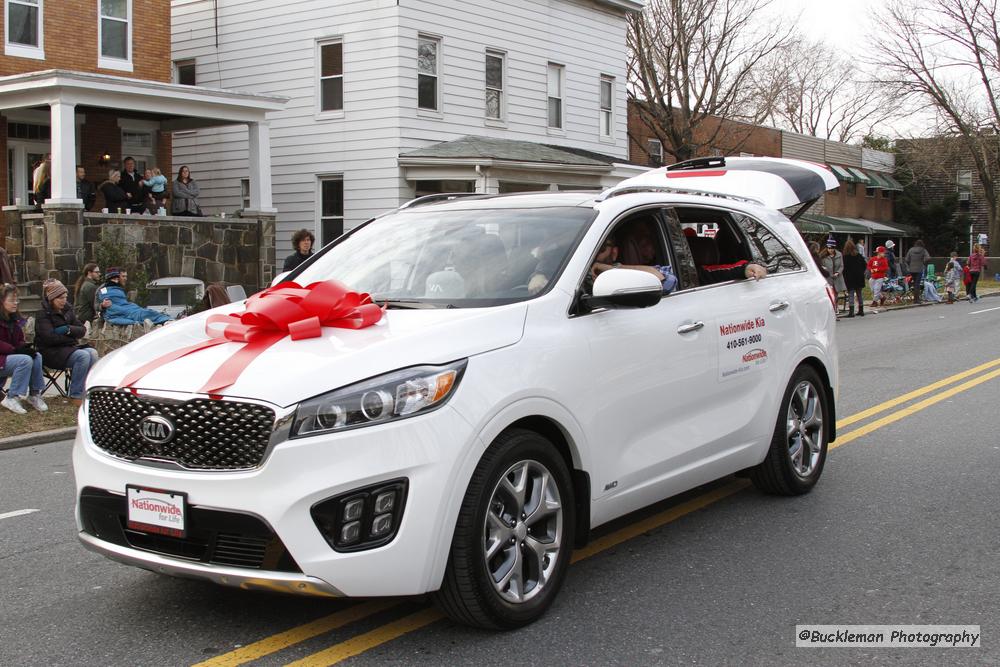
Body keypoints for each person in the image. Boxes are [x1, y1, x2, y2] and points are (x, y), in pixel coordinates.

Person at [35, 280, 99, 406]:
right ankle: (75, 395)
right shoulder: (43, 314)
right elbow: (49, 338)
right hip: (50, 352)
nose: (64, 300)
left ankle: (86, 391)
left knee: (92, 352)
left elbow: (82, 330)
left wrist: (68, 329)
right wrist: (71, 337)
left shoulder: (68, 311)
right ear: (52, 298)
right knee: (83, 356)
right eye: (60, 298)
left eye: (65, 297)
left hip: (68, 349)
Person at [0, 284, 48, 414]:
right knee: (24, 360)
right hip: (3, 358)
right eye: (11, 300)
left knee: (36, 356)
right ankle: (12, 397)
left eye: (17, 300)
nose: (15, 303)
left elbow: (19, 341)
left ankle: (34, 394)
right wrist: (15, 350)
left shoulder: (14, 320)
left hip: (8, 357)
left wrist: (24, 347)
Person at [97, 268, 172, 326]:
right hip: (120, 311)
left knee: (145, 311)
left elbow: (123, 301)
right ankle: (164, 319)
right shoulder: (102, 290)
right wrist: (102, 305)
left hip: (128, 307)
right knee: (141, 313)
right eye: (114, 279)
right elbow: (96, 306)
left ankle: (165, 318)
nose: (116, 281)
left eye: (117, 279)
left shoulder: (120, 289)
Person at [820, 237, 846, 313]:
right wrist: (825, 270)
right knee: (829, 294)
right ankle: (830, 308)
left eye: (832, 248)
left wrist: (838, 272)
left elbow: (842, 266)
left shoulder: (839, 254)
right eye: (829, 248)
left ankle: (835, 307)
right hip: (828, 277)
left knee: (836, 293)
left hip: (837, 277)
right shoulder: (823, 256)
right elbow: (821, 266)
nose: (830, 250)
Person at [842, 239, 866, 317]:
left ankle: (851, 312)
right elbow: (864, 264)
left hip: (849, 278)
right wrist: (861, 271)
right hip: (859, 277)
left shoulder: (845, 257)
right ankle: (861, 310)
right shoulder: (858, 255)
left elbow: (843, 268)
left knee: (851, 294)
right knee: (859, 294)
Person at [904, 239, 930, 304]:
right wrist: (923, 262)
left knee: (912, 283)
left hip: (911, 269)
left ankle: (911, 297)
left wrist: (910, 264)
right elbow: (928, 258)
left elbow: (906, 259)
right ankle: (916, 300)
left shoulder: (911, 250)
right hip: (919, 269)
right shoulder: (923, 250)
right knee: (917, 284)